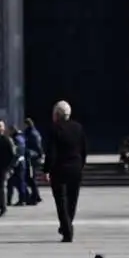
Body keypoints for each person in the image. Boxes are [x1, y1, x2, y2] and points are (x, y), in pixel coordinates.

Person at [43, 101, 86, 242]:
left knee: (61, 202)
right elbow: (84, 149)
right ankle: (67, 225)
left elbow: (51, 152)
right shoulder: (78, 128)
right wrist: (81, 165)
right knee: (72, 201)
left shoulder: (54, 129)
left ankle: (67, 230)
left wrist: (46, 170)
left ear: (57, 115)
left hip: (59, 169)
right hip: (75, 168)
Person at [7, 126, 29, 206]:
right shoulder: (21, 138)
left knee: (18, 182)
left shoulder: (16, 139)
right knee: (18, 182)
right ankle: (22, 198)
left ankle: (22, 199)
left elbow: (17, 152)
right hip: (21, 162)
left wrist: (12, 165)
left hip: (17, 164)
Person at [23, 118, 43, 204]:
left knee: (31, 178)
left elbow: (37, 147)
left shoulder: (32, 133)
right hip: (30, 157)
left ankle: (35, 196)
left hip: (32, 158)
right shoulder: (29, 132)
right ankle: (36, 196)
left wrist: (39, 155)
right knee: (31, 178)